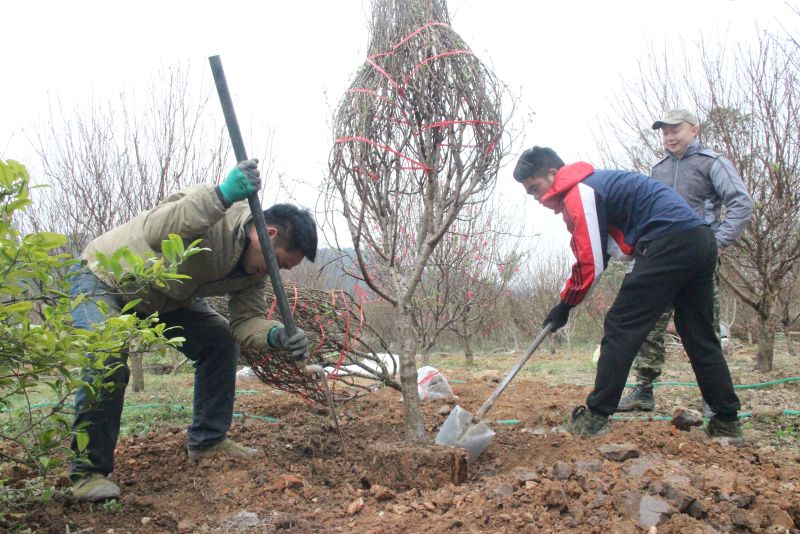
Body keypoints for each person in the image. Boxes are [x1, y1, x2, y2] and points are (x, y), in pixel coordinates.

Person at [68, 159, 317, 501]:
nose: (278, 273)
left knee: (219, 342)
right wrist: (220, 196)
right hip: (104, 279)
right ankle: (88, 473)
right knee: (106, 357)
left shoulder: (255, 273)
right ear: (268, 234)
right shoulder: (213, 207)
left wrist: (275, 335)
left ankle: (208, 441)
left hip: (166, 299)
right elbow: (155, 231)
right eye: (283, 263)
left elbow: (246, 322)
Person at [513, 146, 742, 439]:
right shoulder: (597, 184)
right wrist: (567, 304)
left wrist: (565, 305)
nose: (536, 198)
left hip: (667, 242)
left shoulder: (579, 192)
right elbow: (605, 252)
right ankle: (727, 421)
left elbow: (590, 261)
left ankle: (595, 416)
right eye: (530, 193)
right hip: (700, 241)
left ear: (553, 174)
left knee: (621, 326)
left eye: (535, 188)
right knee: (700, 336)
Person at [617, 109, 753, 412]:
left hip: (696, 261)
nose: (669, 136)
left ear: (694, 130)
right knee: (649, 324)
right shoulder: (659, 169)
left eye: (675, 129)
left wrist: (716, 243)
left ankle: (711, 397)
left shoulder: (711, 163)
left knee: (702, 328)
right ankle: (644, 390)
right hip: (661, 261)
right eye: (664, 131)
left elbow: (741, 202)